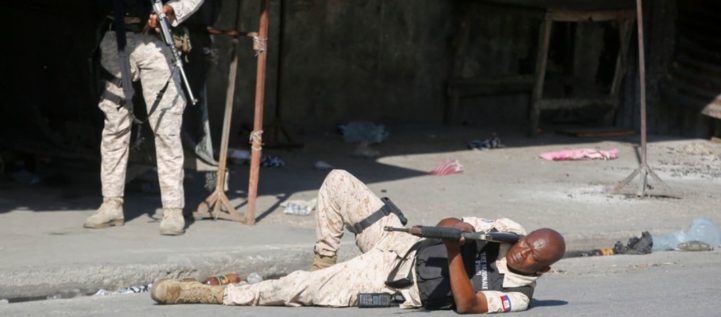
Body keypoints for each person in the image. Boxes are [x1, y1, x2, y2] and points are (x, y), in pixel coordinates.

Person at [151, 170, 566, 312]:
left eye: (532, 255)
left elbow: (468, 305)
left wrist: (456, 248)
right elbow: (449, 222)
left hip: (390, 281)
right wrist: (456, 229)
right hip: (400, 241)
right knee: (337, 183)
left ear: (542, 270)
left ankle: (206, 296)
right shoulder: (509, 228)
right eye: (527, 242)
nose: (522, 250)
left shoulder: (518, 295)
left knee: (291, 290)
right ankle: (324, 266)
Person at [71, 0, 206, 235]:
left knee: (166, 125)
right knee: (114, 125)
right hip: (117, 39)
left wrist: (170, 10)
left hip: (158, 43)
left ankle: (173, 209)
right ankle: (111, 204)